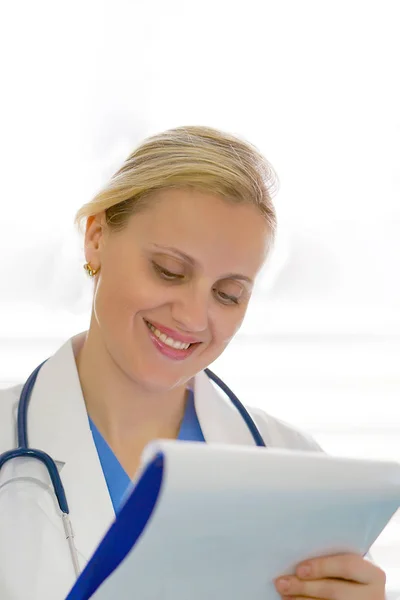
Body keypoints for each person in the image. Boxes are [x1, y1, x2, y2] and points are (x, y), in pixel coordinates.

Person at [0, 126, 386, 600]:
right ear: (96, 238)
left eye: (229, 294)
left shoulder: (295, 466)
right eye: (169, 271)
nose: (193, 317)